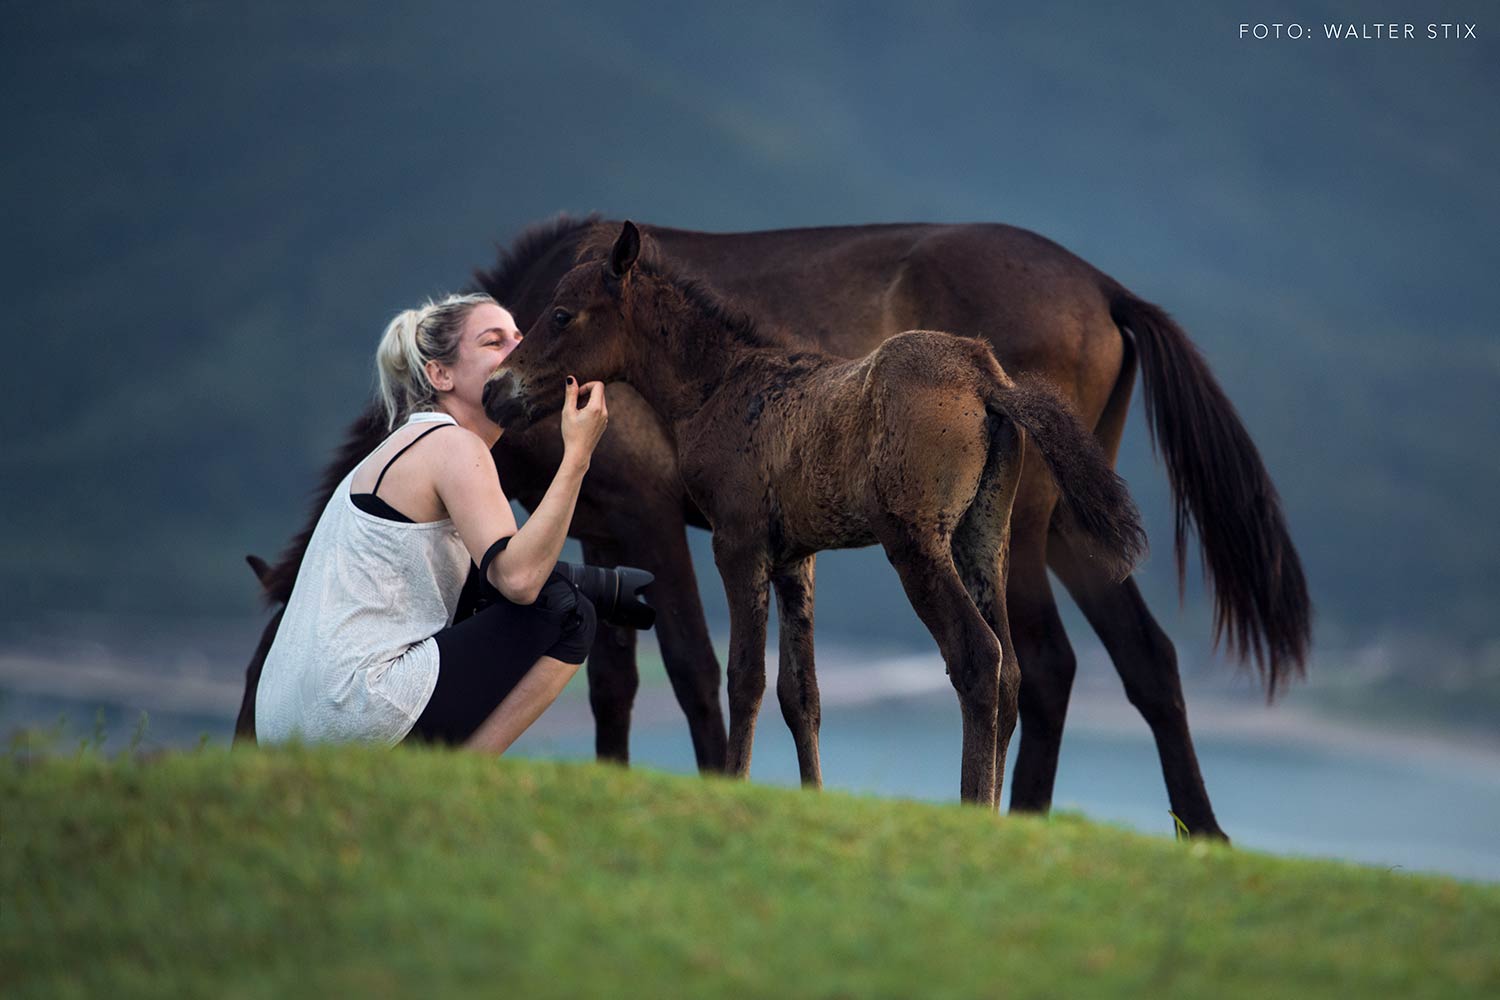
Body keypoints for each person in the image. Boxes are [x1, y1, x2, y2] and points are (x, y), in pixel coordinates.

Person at [255, 292, 608, 753]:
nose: (516, 349)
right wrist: (577, 455)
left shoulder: (407, 447)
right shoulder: (453, 446)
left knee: (535, 597)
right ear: (440, 375)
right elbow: (519, 580)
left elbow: (488, 582)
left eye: (519, 338)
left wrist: (601, 582)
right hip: (354, 705)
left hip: (287, 724)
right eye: (493, 341)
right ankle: (461, 779)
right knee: (569, 613)